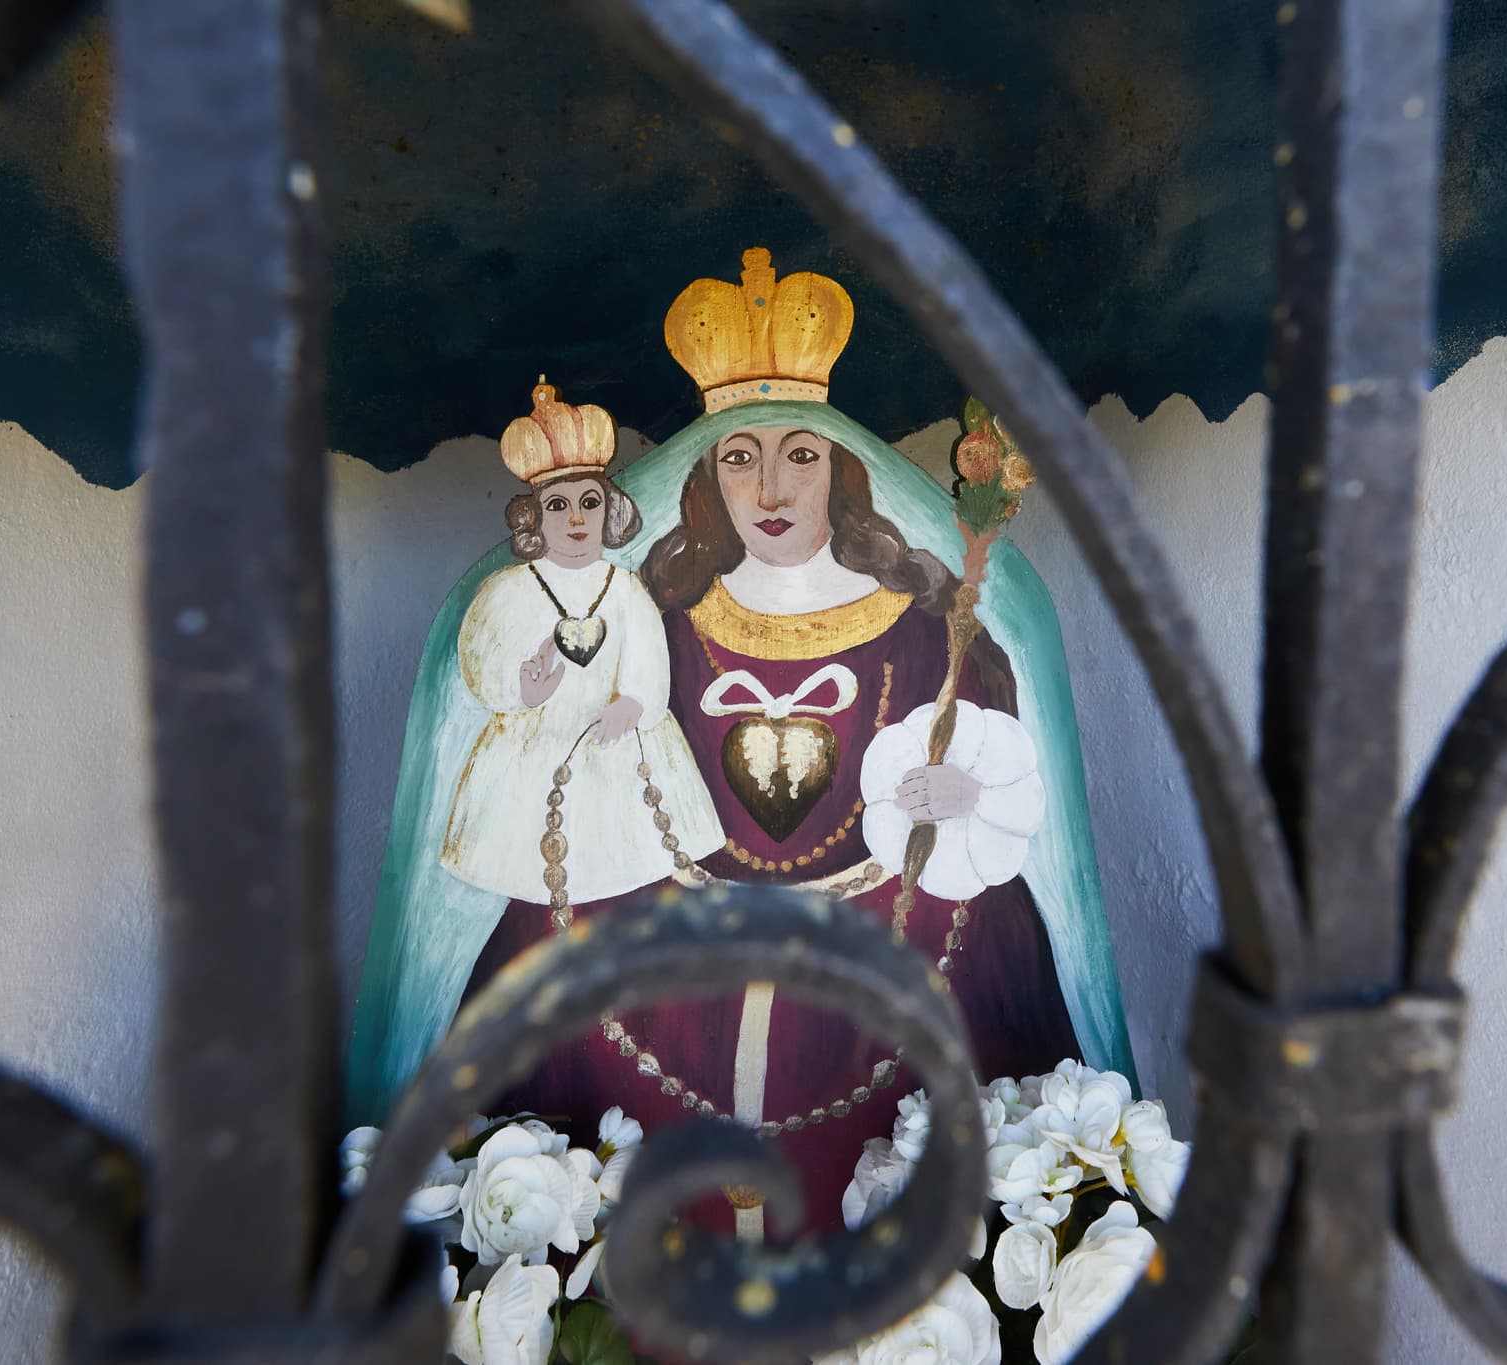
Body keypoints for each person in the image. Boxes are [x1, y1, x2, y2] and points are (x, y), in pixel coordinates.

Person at [349, 250, 1133, 1238]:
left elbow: (990, 767)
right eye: (736, 458)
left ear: (842, 473)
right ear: (705, 479)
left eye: (798, 455)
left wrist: (958, 793)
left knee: (974, 963)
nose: (768, 485)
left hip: (880, 920)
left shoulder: (933, 627)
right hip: (676, 914)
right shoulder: (656, 616)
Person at [439, 379, 722, 907]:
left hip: (616, 747)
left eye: (589, 503)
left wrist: (633, 703)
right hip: (530, 754)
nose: (575, 519)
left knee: (625, 876)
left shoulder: (624, 588)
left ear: (608, 511)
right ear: (534, 518)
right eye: (559, 506)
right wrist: (519, 688)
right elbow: (481, 660)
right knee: (535, 880)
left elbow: (648, 661)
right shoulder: (507, 591)